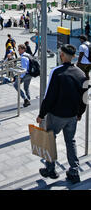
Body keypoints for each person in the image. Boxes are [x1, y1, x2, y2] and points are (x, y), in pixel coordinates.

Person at [36, 44, 88, 184]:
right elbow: (85, 98)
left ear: (62, 55)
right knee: (71, 142)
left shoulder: (57, 72)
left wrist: (41, 114)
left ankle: (51, 169)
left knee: (50, 139)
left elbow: (49, 96)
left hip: (56, 115)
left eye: (60, 53)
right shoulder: (81, 74)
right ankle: (74, 171)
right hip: (72, 116)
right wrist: (80, 113)